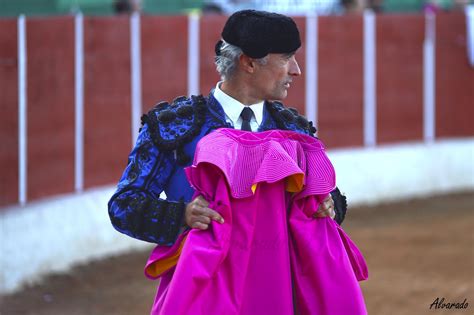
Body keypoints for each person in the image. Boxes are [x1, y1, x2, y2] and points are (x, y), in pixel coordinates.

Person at [108, 9, 347, 251]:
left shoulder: (296, 130)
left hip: (275, 280)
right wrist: (182, 215)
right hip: (200, 280)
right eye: (286, 59)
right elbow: (124, 205)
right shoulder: (176, 126)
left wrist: (328, 206)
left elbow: (329, 197)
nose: (296, 70)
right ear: (249, 63)